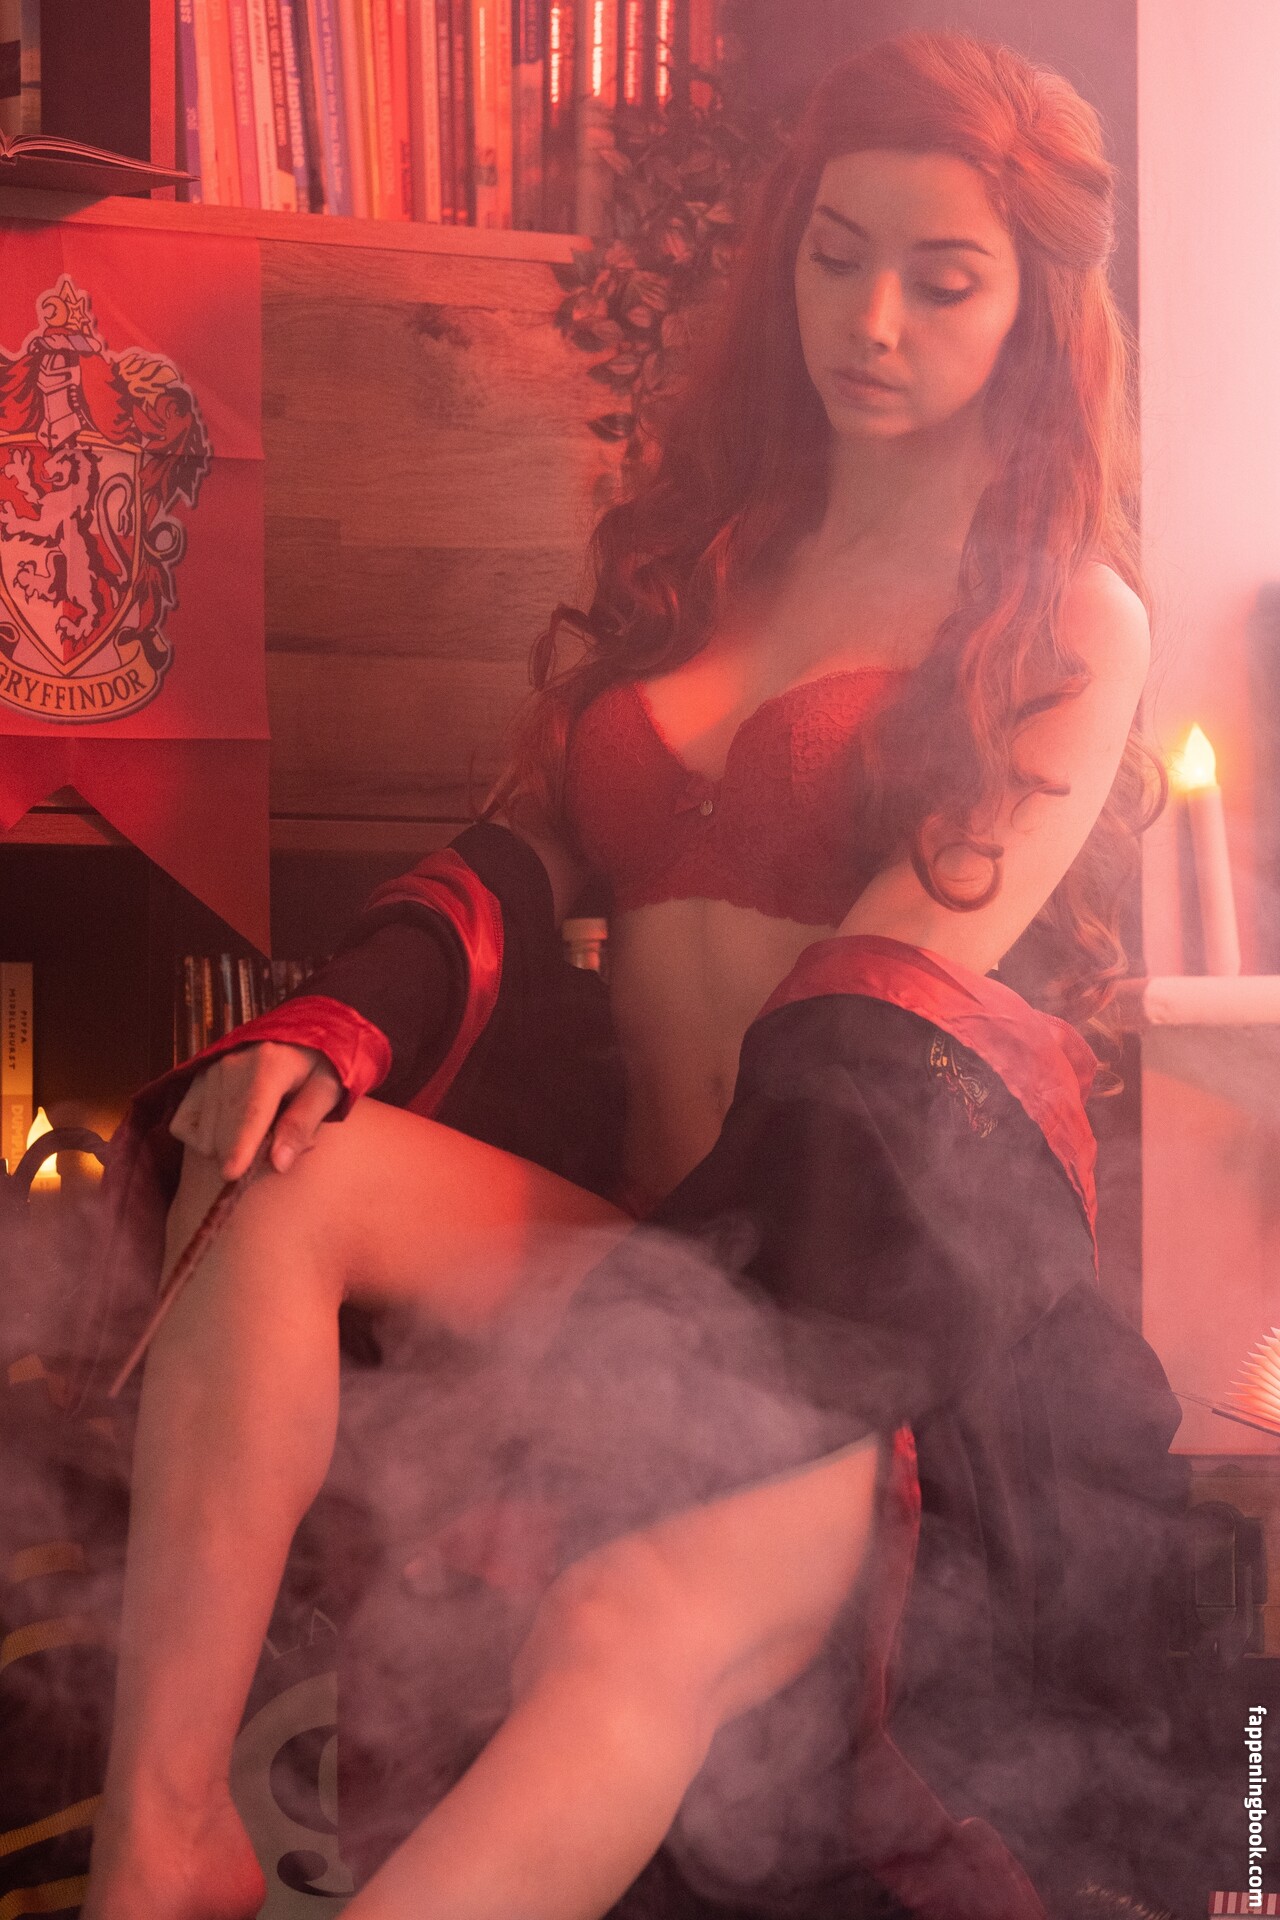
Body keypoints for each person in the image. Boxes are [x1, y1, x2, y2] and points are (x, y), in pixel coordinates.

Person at [82, 31, 1192, 1920]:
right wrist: (340, 1030)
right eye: (835, 255)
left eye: (945, 281)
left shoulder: (1063, 625)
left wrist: (630, 1403)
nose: (872, 321)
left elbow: (874, 1046)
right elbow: (519, 853)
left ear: (1037, 316)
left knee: (620, 1620)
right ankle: (162, 1848)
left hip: (855, 1323)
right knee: (273, 1164)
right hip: (640, 1242)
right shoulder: (709, 555)